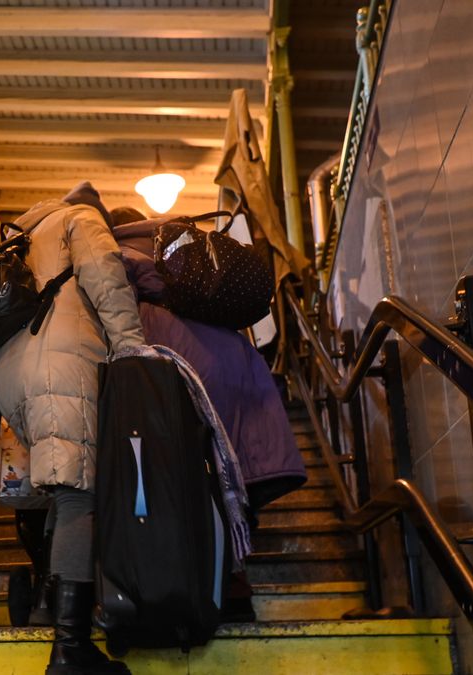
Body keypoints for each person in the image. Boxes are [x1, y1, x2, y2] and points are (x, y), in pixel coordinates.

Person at [110, 209, 306, 621]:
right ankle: (234, 591)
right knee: (227, 476)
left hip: (173, 364)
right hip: (230, 360)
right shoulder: (178, 253)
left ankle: (187, 592)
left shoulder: (114, 259)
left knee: (183, 484)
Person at [0, 182, 143, 675]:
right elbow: (105, 277)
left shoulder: (21, 234)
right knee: (79, 494)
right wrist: (133, 348)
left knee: (65, 489)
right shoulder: (80, 218)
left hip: (10, 376)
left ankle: (50, 609)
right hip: (60, 364)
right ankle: (69, 648)